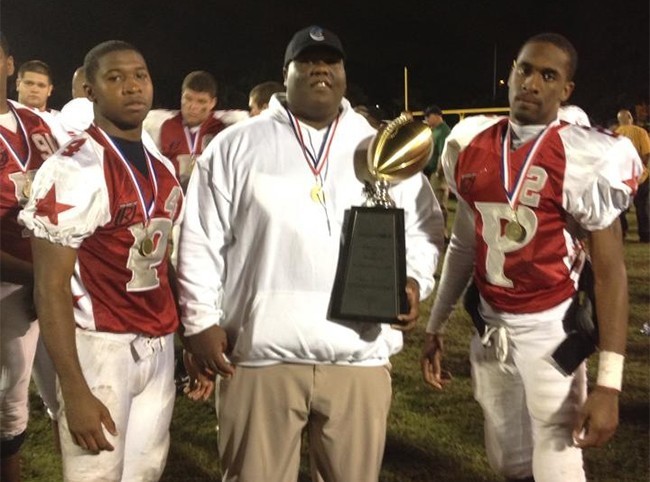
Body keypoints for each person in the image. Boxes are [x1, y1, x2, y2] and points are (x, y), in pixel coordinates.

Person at [178, 25, 443, 482]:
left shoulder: (379, 143)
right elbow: (200, 237)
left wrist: (414, 279)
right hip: (260, 354)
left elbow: (423, 228)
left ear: (343, 73)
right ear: (287, 74)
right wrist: (199, 321)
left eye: (331, 60)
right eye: (307, 60)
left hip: (358, 352)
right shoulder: (237, 145)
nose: (320, 68)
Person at [421, 33, 642, 482]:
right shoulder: (471, 144)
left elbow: (611, 273)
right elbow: (464, 245)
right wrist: (436, 324)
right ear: (510, 74)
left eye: (548, 75)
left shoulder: (584, 156)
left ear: (566, 90)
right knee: (510, 463)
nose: (532, 83)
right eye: (525, 69)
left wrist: (609, 384)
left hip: (549, 330)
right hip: (490, 326)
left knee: (557, 458)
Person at [19, 40, 184, 481]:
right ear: (89, 91)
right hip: (101, 345)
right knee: (96, 475)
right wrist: (74, 388)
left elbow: (158, 259)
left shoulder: (159, 164)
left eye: (140, 75)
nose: (132, 87)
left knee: (145, 472)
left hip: (158, 343)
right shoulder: (75, 166)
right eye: (116, 78)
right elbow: (49, 286)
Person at [0, 34, 68, 482]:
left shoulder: (37, 123)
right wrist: (38, 278)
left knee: (69, 389)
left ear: (9, 63)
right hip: (9, 282)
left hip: (52, 276)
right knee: (9, 398)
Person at [616, 109, 650, 243]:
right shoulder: (640, 132)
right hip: (641, 176)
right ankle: (645, 234)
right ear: (630, 117)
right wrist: (642, 166)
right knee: (642, 206)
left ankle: (622, 232)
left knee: (621, 208)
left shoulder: (615, 134)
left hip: (622, 176)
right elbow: (647, 153)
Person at [422, 104, 451, 240]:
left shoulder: (443, 131)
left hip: (438, 173)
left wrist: (439, 172)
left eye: (428, 116)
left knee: (439, 203)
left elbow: (443, 154)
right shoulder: (435, 130)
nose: (426, 119)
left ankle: (442, 232)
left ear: (435, 115)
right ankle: (436, 231)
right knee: (433, 203)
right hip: (431, 171)